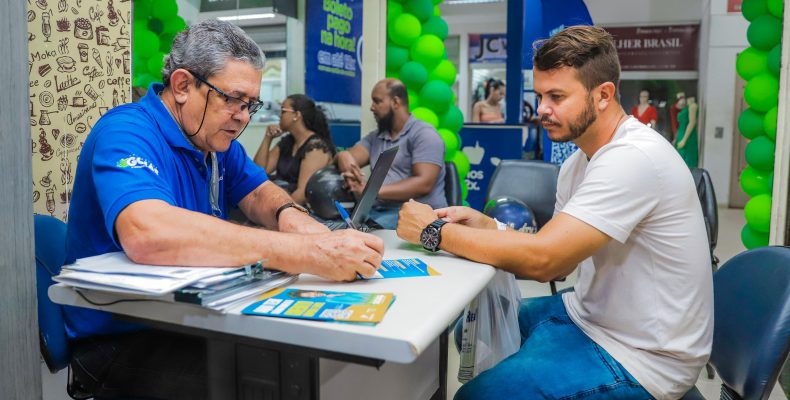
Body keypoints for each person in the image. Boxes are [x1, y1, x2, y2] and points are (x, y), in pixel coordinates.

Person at [64, 19, 384, 399]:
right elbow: (147, 234)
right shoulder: (127, 131)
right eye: (233, 99)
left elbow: (262, 194)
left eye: (251, 104)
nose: (244, 117)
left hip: (188, 316)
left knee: (300, 361)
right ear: (183, 86)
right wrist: (306, 253)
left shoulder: (215, 140)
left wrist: (305, 227)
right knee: (270, 384)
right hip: (123, 336)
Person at [397, 25, 712, 400]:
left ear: (603, 95)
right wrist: (487, 224)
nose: (542, 109)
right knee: (469, 329)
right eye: (540, 95)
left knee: (476, 397)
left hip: (644, 357)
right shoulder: (578, 163)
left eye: (557, 96)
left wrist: (432, 233)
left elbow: (544, 262)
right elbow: (562, 262)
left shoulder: (633, 158)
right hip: (590, 316)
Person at [335, 78, 447, 229]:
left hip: (416, 217)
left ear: (395, 102)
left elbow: (423, 183)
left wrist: (370, 192)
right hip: (377, 213)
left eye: (377, 101)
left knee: (359, 235)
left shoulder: (425, 134)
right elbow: (351, 156)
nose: (372, 108)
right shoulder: (376, 137)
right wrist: (344, 156)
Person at [253, 94, 335, 204]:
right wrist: (268, 138)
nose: (279, 116)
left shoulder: (315, 147)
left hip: (297, 209)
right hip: (279, 201)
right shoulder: (287, 142)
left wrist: (277, 213)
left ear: (296, 115)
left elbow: (302, 194)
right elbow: (258, 173)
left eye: (283, 111)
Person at [675, 95, 699, 168]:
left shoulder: (693, 106)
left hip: (687, 137)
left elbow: (692, 122)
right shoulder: (686, 106)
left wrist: (684, 140)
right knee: (679, 161)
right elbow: (676, 106)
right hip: (681, 135)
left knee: (686, 162)